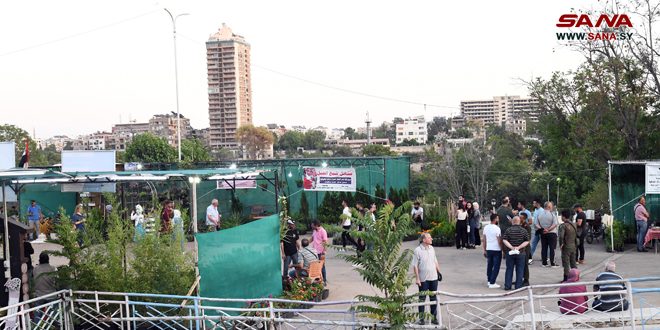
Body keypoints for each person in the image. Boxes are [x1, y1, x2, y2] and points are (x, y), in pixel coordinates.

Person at [412, 233, 441, 325]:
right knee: (422, 298)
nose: (431, 239)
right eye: (429, 238)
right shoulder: (417, 250)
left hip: (433, 277)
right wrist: (417, 278)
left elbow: (435, 260)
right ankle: (421, 318)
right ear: (424, 240)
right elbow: (415, 265)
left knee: (433, 297)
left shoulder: (432, 249)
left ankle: (433, 317)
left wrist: (439, 272)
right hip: (423, 279)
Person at [502, 216, 529, 290]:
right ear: (519, 222)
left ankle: (507, 286)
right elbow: (527, 241)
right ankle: (518, 286)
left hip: (510, 252)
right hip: (520, 253)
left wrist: (511, 247)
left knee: (509, 269)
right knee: (520, 269)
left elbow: (504, 240)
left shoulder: (508, 230)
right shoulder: (523, 230)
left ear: (512, 222)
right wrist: (519, 247)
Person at [483, 213, 502, 289]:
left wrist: (484, 249)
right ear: (495, 219)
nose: (498, 220)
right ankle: (492, 282)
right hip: (496, 249)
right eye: (497, 218)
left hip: (488, 248)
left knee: (489, 265)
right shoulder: (497, 228)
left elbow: (484, 240)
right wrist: (502, 249)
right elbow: (499, 240)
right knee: (496, 266)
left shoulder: (486, 227)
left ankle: (489, 280)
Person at [558, 209, 578, 282]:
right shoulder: (574, 224)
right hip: (573, 245)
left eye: (561, 216)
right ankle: (576, 276)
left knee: (566, 263)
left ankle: (566, 278)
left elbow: (561, 236)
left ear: (563, 217)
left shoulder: (563, 226)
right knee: (573, 262)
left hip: (566, 246)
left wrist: (561, 244)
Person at [538, 201, 559, 268]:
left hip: (543, 233)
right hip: (552, 233)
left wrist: (542, 229)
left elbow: (536, 223)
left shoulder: (539, 214)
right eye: (551, 206)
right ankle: (552, 263)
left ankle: (544, 262)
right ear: (549, 207)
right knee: (552, 248)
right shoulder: (552, 214)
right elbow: (555, 224)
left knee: (544, 248)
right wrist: (548, 229)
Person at [310, 220, 328, 284]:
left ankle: (324, 280)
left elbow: (325, 242)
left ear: (316, 225)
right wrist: (306, 243)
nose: (311, 226)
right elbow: (312, 238)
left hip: (320, 252)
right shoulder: (314, 231)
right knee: (315, 266)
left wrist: (324, 252)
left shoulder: (323, 231)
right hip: (314, 252)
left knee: (322, 266)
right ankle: (318, 280)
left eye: (312, 225)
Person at [529, 199, 544, 264]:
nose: (533, 204)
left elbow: (542, 220)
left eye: (534, 203)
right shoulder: (536, 210)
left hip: (540, 229)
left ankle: (545, 256)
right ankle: (530, 256)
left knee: (543, 244)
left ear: (538, 203)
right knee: (534, 243)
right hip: (536, 229)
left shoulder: (542, 211)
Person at [519, 213, 531, 287]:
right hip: (521, 246)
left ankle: (526, 280)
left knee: (525, 264)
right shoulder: (521, 225)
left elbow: (528, 238)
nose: (519, 219)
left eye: (521, 218)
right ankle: (520, 278)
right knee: (521, 264)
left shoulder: (527, 226)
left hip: (525, 247)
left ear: (524, 218)